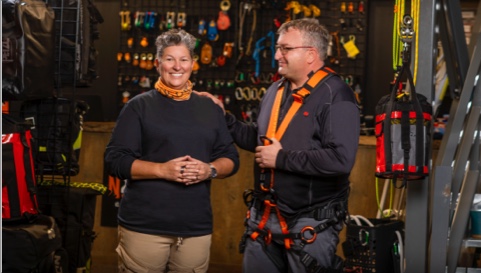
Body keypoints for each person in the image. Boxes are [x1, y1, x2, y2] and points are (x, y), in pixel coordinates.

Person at [199, 18, 360, 272]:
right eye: (277, 48)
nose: (277, 55)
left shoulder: (336, 95)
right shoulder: (275, 89)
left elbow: (340, 160)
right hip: (263, 221)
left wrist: (282, 158)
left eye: (286, 48)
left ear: (311, 54)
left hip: (308, 224)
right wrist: (224, 119)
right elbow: (260, 140)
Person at [104, 28, 239, 273]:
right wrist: (161, 170)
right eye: (169, 59)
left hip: (194, 227)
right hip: (144, 226)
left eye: (184, 59)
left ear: (193, 64)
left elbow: (230, 157)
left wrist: (210, 170)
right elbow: (114, 160)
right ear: (158, 64)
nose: (177, 66)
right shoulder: (138, 107)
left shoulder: (210, 108)